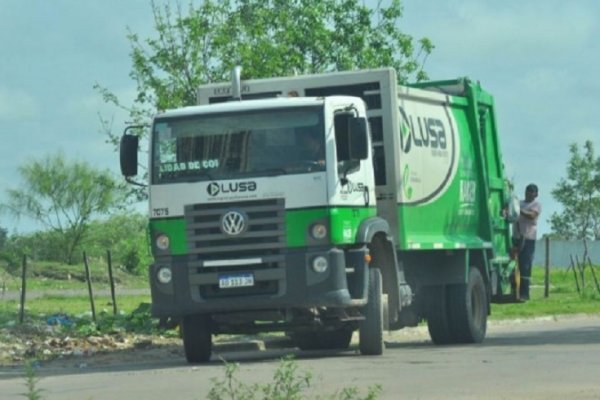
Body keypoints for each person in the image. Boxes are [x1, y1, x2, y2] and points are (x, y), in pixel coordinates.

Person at [512, 183, 542, 301]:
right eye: (527, 191)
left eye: (531, 192)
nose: (529, 193)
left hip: (528, 239)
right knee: (513, 265)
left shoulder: (536, 205)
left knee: (525, 266)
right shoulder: (519, 204)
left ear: (536, 194)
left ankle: (525, 294)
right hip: (516, 237)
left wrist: (518, 210)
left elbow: (532, 216)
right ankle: (515, 293)